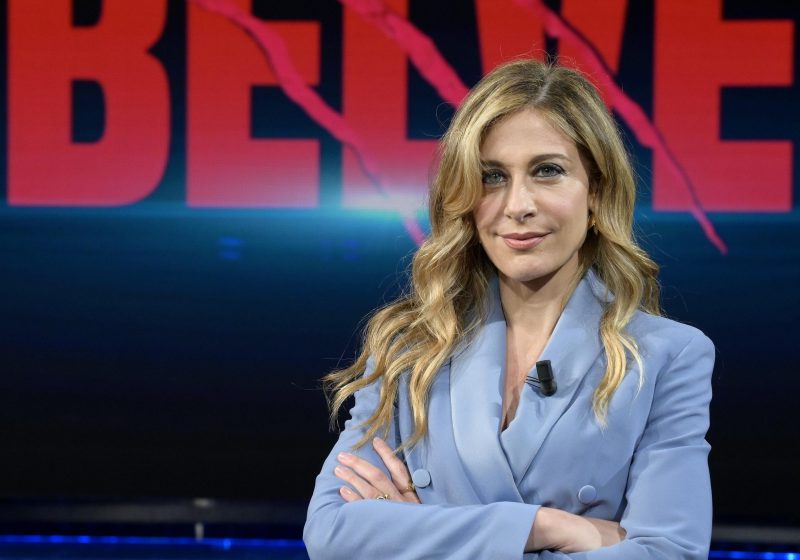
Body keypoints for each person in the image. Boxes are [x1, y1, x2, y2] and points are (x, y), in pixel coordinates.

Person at [303, 58, 715, 559]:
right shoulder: (408, 348)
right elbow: (331, 532)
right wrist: (548, 526)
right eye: (492, 176)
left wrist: (421, 532)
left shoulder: (667, 356)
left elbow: (670, 553)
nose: (517, 205)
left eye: (548, 171)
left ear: (597, 191)